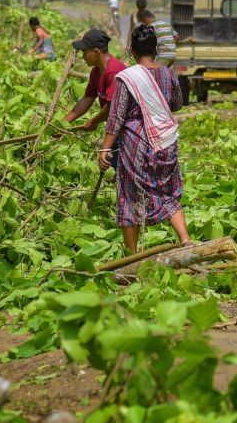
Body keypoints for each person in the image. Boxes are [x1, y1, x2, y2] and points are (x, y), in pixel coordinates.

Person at [97, 24, 193, 253]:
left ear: (132, 50)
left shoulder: (127, 78)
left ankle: (133, 257)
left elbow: (117, 116)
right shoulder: (168, 74)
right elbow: (177, 104)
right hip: (166, 143)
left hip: (136, 146)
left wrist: (105, 149)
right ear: (156, 48)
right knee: (167, 192)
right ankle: (186, 241)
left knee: (130, 198)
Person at [63, 28, 126, 132]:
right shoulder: (96, 71)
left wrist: (93, 121)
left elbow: (112, 107)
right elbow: (88, 98)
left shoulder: (114, 71)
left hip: (128, 127)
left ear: (96, 51)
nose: (83, 56)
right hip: (115, 125)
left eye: (84, 52)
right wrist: (64, 122)